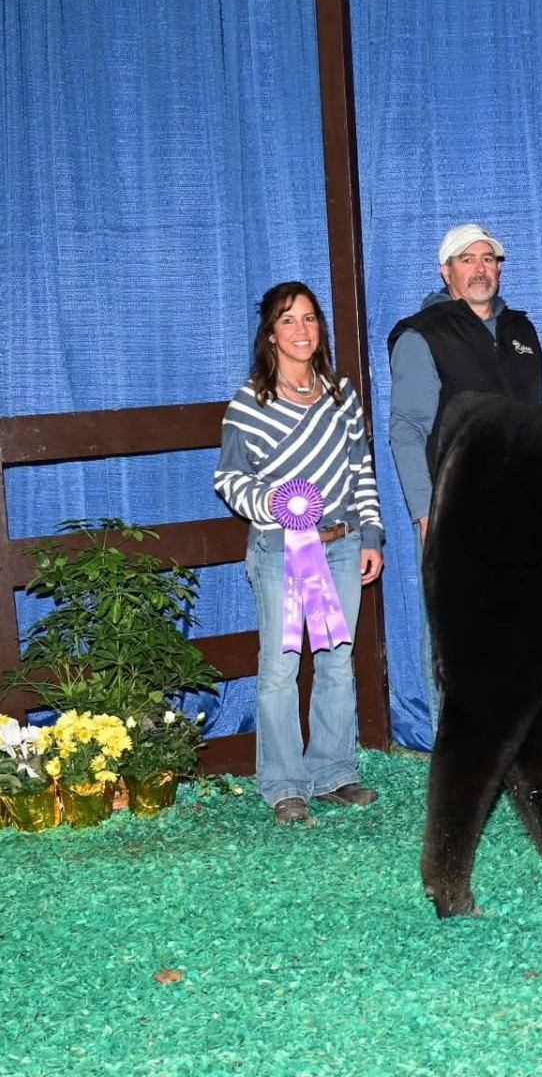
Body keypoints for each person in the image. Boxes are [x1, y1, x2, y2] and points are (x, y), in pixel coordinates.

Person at [214, 282, 385, 826]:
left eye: (310, 319)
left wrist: (372, 535)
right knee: (280, 666)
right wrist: (272, 504)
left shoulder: (341, 393)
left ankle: (333, 771)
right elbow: (229, 478)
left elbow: (361, 467)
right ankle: (284, 784)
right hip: (280, 549)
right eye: (288, 320)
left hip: (343, 544)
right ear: (270, 334)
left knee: (336, 660)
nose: (301, 330)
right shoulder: (249, 403)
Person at [386, 224, 542, 726]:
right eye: (467, 259)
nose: (480, 269)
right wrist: (424, 511)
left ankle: (512, 746)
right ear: (446, 272)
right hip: (455, 508)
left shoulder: (521, 331)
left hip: (520, 510)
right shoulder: (422, 334)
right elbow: (406, 429)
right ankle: (455, 752)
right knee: (452, 635)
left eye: (488, 259)